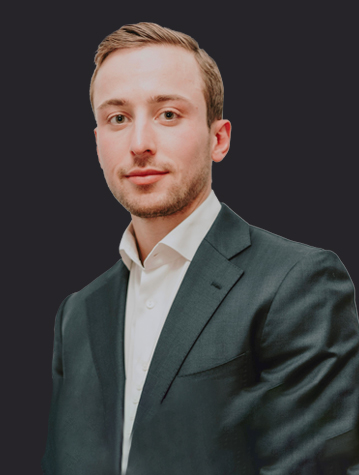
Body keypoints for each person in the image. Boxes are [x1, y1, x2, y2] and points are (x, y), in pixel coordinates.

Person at [41, 22, 359, 475]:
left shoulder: (298, 283)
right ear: (97, 143)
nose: (139, 144)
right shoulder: (75, 314)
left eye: (168, 114)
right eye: (117, 118)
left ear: (219, 138)